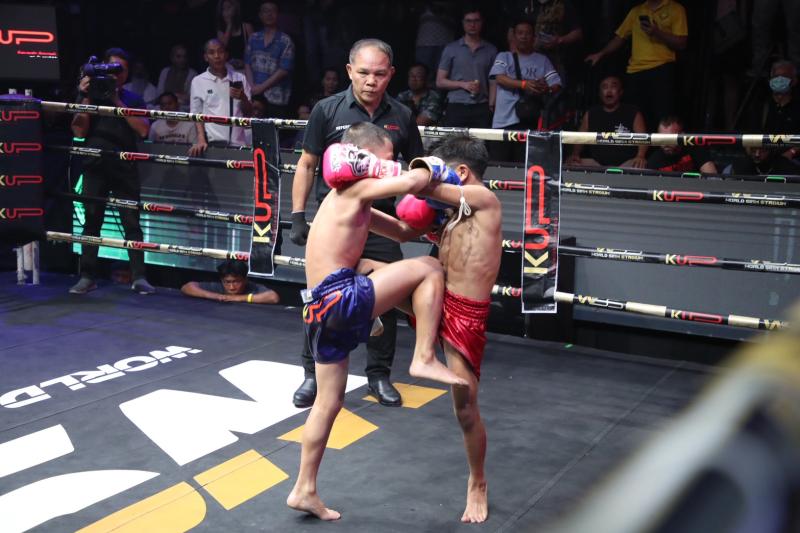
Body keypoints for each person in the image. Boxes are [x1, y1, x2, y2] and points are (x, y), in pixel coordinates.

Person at [285, 123, 467, 522]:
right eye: (383, 160)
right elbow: (413, 180)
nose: (388, 166)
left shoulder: (353, 200)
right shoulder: (356, 189)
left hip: (318, 310)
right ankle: (423, 356)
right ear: (361, 158)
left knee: (328, 402)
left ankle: (304, 489)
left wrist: (434, 219)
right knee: (430, 269)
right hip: (339, 299)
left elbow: (402, 231)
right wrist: (438, 171)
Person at [371, 135, 501, 523]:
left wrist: (375, 172)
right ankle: (369, 315)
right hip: (434, 298)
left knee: (465, 408)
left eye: (442, 171)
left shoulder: (484, 200)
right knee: (363, 270)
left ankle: (478, 483)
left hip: (465, 315)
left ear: (460, 172)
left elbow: (424, 185)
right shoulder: (449, 212)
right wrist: (354, 205)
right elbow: (402, 232)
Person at [289, 38, 424, 409]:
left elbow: (416, 166)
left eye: (379, 73)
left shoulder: (402, 115)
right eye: (363, 72)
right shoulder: (327, 109)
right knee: (320, 297)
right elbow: (307, 163)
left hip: (379, 218)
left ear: (391, 74)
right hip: (337, 222)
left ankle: (378, 375)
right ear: (349, 71)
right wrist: (298, 215)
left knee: (388, 299)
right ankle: (312, 373)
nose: (371, 80)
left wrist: (428, 216)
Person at [69, 47, 154, 295]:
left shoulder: (133, 99)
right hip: (94, 165)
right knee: (91, 222)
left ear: (127, 74)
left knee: (132, 223)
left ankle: (139, 277)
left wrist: (116, 99)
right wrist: (86, 96)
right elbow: (79, 131)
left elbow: (143, 130)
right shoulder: (89, 96)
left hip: (125, 167)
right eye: (111, 68)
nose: (115, 74)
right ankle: (87, 276)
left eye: (120, 70)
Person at [585, 0, 687, 131]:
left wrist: (657, 32)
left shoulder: (675, 9)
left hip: (661, 68)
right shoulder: (637, 11)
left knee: (662, 116)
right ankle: (638, 145)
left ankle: (661, 144)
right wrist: (601, 53)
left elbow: (681, 43)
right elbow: (619, 38)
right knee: (635, 117)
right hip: (635, 71)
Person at [490, 18, 562, 162]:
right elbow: (499, 78)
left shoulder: (542, 60)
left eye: (528, 33)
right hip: (503, 122)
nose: (524, 36)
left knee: (524, 166)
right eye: (520, 33)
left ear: (534, 37)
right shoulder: (504, 56)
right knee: (499, 165)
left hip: (530, 121)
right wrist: (524, 84)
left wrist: (544, 88)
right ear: (514, 36)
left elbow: (556, 84)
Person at [566, 75, 648, 168]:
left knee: (639, 164)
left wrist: (640, 156)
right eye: (605, 87)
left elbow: (643, 138)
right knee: (572, 164)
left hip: (626, 164)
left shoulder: (633, 112)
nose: (609, 91)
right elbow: (580, 138)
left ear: (620, 92)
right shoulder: (591, 113)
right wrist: (575, 154)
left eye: (613, 86)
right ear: (600, 93)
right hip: (597, 164)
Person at [436, 6, 498, 128]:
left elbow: (493, 80)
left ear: (482, 23)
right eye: (468, 21)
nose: (472, 25)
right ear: (463, 23)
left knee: (481, 140)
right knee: (454, 140)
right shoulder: (451, 49)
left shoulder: (491, 50)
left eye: (476, 21)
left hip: (481, 105)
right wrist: (463, 84)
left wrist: (492, 104)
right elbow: (440, 81)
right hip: (456, 104)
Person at [189, 38, 252, 156]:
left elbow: (249, 113)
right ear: (206, 57)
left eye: (220, 51)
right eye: (211, 52)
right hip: (212, 145)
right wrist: (201, 139)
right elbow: (196, 114)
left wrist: (243, 98)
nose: (217, 56)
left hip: (238, 144)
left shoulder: (240, 78)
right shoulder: (198, 81)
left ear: (226, 55)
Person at [245, 1, 295, 119]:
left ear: (278, 14)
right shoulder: (253, 38)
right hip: (255, 96)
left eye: (272, 11)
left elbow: (284, 70)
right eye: (265, 11)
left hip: (277, 98)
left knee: (275, 130)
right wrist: (252, 87)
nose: (269, 14)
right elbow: (247, 63)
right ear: (260, 15)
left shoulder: (285, 40)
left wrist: (261, 88)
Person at [181, 259, 279, 303]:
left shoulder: (253, 288)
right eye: (227, 282)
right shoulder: (218, 287)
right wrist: (216, 296)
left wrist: (237, 298)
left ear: (245, 279)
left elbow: (273, 297)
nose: (231, 287)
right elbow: (187, 287)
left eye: (236, 282)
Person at [646, 116, 718, 174]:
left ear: (682, 136)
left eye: (670, 138)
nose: (665, 143)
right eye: (661, 138)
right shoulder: (654, 160)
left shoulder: (696, 149)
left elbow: (711, 176)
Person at [396, 63, 444, 127]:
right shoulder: (403, 96)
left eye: (418, 76)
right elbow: (392, 118)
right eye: (411, 75)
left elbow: (420, 123)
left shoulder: (434, 97)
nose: (413, 79)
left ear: (426, 79)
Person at [156, 44, 197, 112]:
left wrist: (172, 97)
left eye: (184, 57)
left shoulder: (192, 74)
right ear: (172, 58)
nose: (182, 60)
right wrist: (176, 96)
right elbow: (159, 94)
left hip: (183, 108)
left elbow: (190, 98)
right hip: (164, 105)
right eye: (178, 57)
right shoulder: (165, 72)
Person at [215, 0, 254, 71]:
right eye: (223, 9)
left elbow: (254, 52)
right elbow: (222, 47)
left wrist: (244, 63)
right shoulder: (221, 32)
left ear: (235, 9)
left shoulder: (246, 27)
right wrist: (229, 25)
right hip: (228, 70)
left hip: (245, 69)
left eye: (228, 7)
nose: (226, 12)